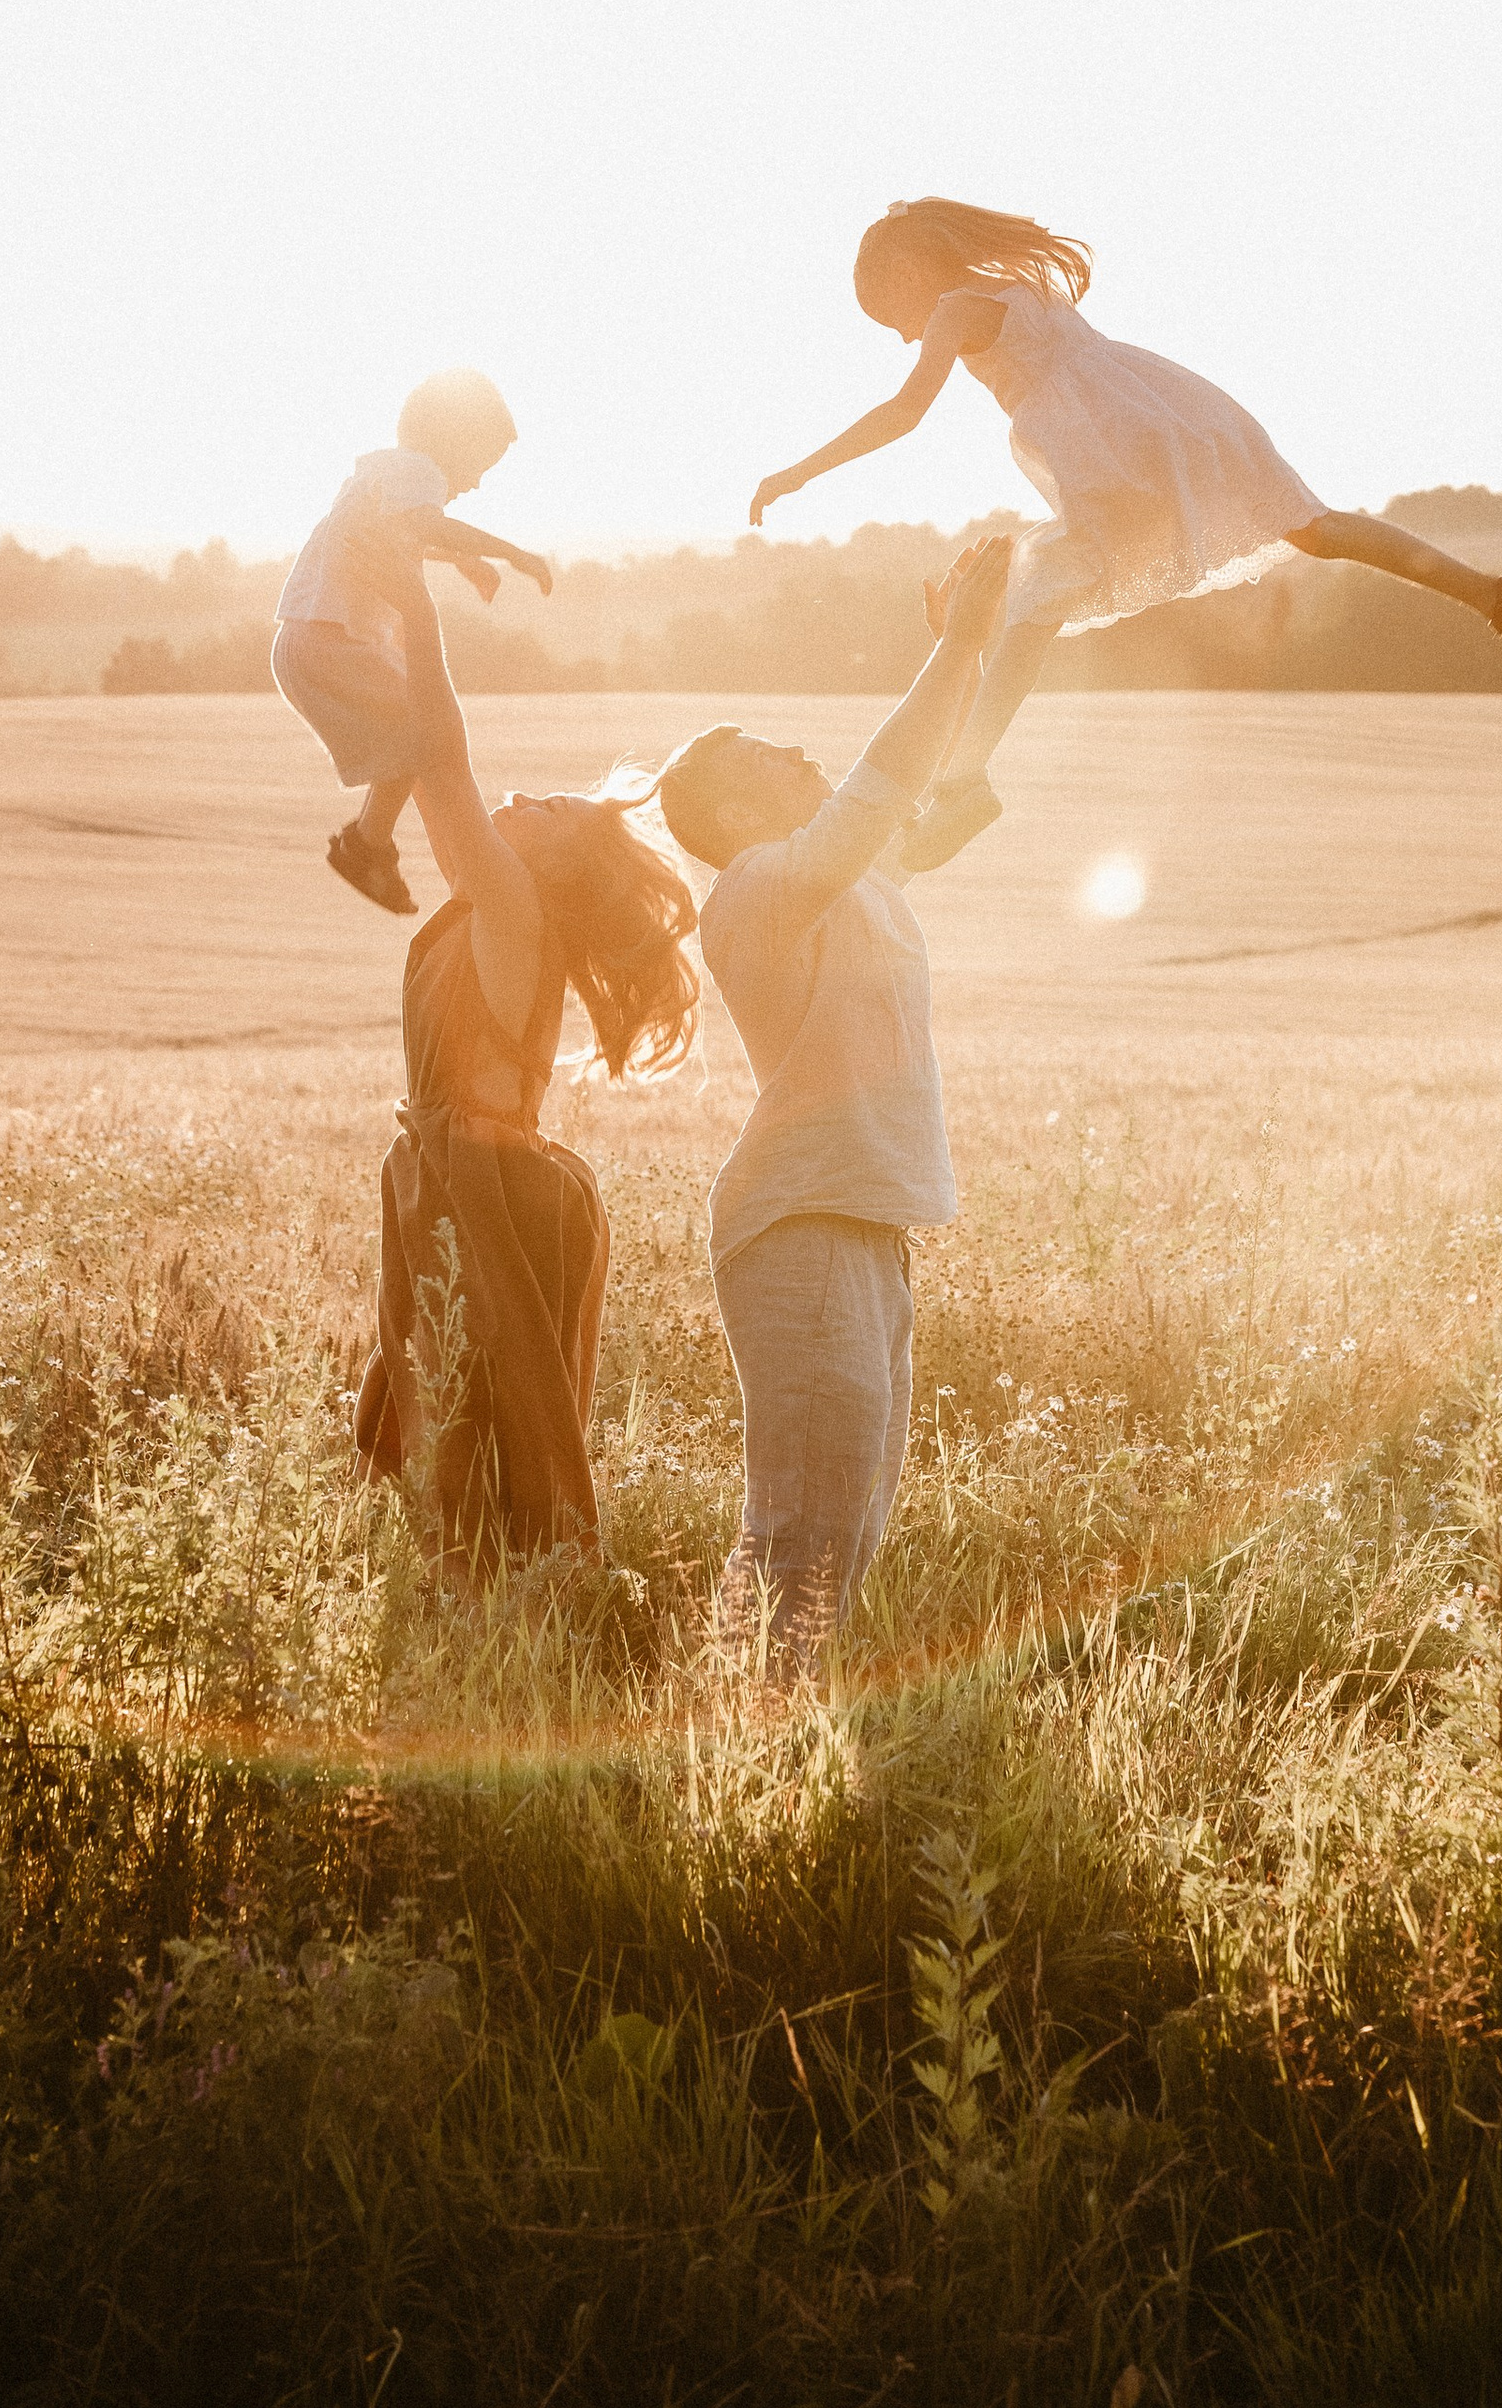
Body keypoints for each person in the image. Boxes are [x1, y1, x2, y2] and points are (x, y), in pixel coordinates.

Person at [747, 195, 1502, 870]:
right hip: (1168, 415)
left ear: (907, 272)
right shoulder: (1020, 284)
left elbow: (904, 411)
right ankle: (1498, 595)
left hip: (1113, 450)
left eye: (889, 313)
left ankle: (965, 781)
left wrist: (800, 472)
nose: (899, 334)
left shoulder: (959, 306)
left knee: (1037, 595)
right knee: (1313, 528)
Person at [654, 530, 1015, 1676]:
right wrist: (955, 646)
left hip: (865, 1228)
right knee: (801, 1534)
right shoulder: (759, 893)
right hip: (797, 1230)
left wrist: (998, 631)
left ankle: (762, 1744)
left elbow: (935, 772)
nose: (801, 749)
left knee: (844, 1535)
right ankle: (736, 1753)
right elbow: (885, 779)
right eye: (768, 754)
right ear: (728, 817)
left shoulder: (849, 880)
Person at [348, 520, 698, 1572]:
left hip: (488, 1190)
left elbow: (441, 761)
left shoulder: (510, 909)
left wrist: (413, 607)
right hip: (449, 1177)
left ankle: (522, 1628)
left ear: (554, 864)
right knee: (438, 1411)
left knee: (481, 1423)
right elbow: (430, 761)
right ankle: (481, 1612)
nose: (522, 799)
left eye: (547, 808)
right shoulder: (492, 909)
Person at [271, 368, 554, 915]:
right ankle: (371, 843)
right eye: (477, 468)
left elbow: (405, 531)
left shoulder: (380, 473)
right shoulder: (417, 469)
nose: (474, 484)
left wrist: (464, 560)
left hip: (306, 642)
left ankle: (371, 842)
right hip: (334, 643)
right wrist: (509, 552)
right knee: (427, 730)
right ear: (453, 443)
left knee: (412, 739)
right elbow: (427, 525)